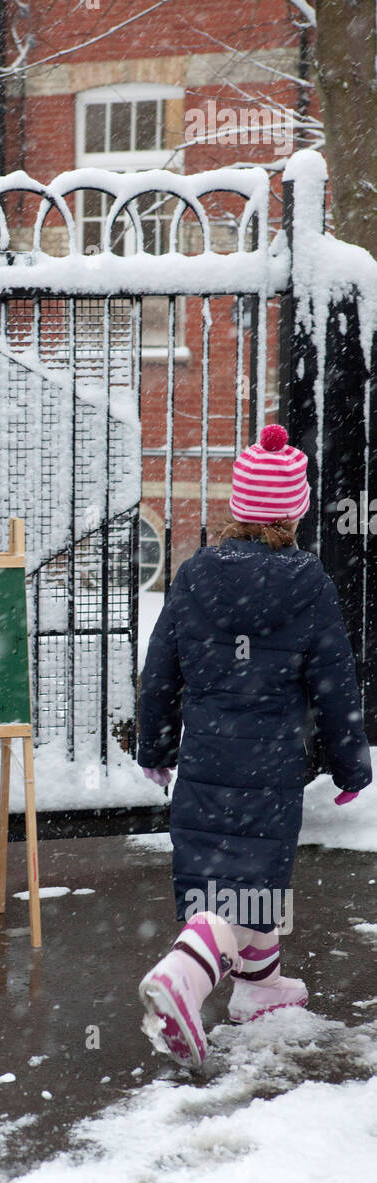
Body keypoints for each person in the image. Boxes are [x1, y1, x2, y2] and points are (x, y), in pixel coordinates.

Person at [136, 424, 372, 1066]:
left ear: (238, 509)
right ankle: (182, 977)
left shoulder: (194, 575)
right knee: (241, 890)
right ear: (292, 513)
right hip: (269, 767)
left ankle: (259, 990)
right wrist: (351, 761)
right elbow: (335, 681)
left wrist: (156, 746)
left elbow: (161, 670)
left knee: (236, 881)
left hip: (206, 761)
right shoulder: (309, 582)